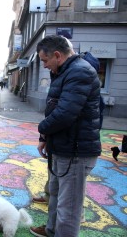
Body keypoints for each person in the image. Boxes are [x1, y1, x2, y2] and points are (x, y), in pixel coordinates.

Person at [29, 35, 101, 237]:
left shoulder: (80, 72)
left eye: (45, 60)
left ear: (58, 55)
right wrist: (45, 137)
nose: (43, 65)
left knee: (68, 209)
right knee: (55, 195)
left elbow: (64, 114)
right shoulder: (65, 71)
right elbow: (56, 108)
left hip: (75, 152)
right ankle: (51, 230)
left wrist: (42, 128)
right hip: (63, 146)